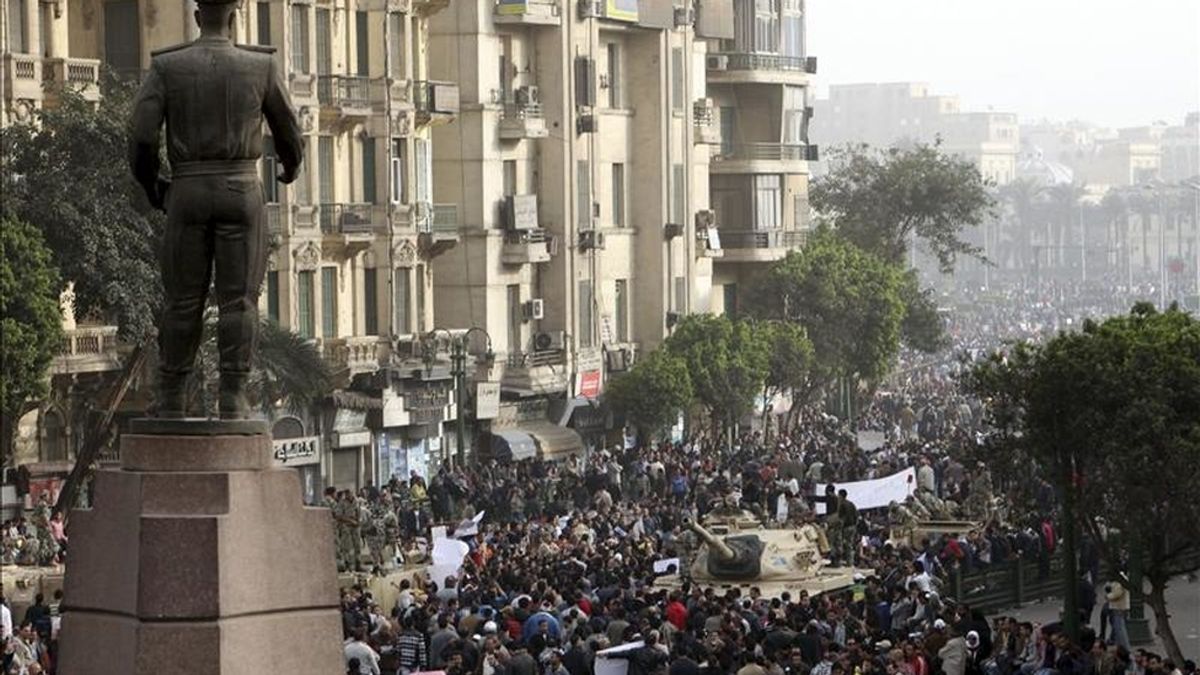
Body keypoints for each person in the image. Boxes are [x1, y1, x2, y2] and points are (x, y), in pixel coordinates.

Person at [128, 0, 304, 418]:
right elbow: (289, 129)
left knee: (182, 300)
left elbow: (140, 135)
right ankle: (233, 396)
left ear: (196, 16)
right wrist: (291, 165)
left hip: (187, 189)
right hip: (241, 189)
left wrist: (153, 183)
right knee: (238, 301)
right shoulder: (259, 67)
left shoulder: (168, 67)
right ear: (234, 16)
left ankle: (170, 397)